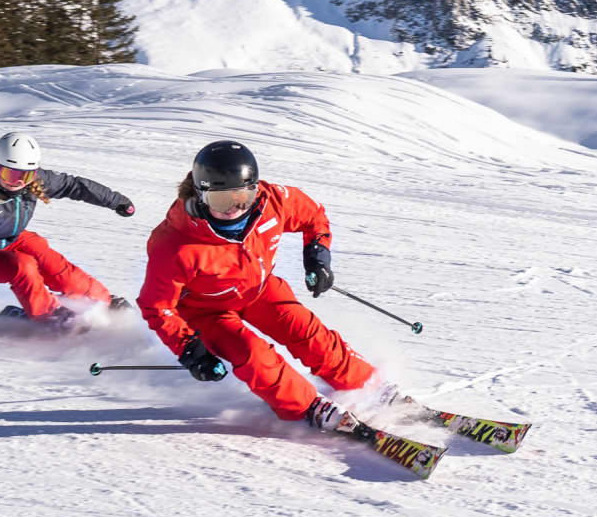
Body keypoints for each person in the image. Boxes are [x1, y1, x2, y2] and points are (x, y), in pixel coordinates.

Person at [138, 137, 428, 435]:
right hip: (206, 310)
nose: (234, 209)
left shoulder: (271, 202)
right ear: (200, 195)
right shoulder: (175, 244)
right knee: (252, 354)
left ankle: (368, 386)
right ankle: (309, 407)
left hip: (259, 288)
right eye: (221, 200)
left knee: (307, 332)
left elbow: (313, 215)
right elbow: (156, 306)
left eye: (243, 197)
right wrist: (190, 349)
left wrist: (317, 256)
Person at [0, 125, 136, 325]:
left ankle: (102, 301)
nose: (18, 182)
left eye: (25, 175)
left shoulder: (34, 181)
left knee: (54, 265)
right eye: (10, 174)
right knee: (22, 265)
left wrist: (115, 201)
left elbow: (73, 186)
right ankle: (49, 316)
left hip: (11, 238)